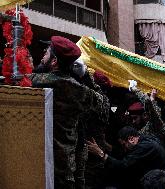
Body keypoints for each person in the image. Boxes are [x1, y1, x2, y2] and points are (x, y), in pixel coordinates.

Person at [29, 36, 108, 189]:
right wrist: (86, 76)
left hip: (39, 161)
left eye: (46, 53)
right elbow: (103, 106)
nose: (42, 55)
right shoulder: (77, 89)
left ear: (54, 61)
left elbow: (22, 79)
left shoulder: (36, 80)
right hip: (64, 166)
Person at [86, 126, 165, 189]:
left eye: (124, 145)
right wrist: (107, 146)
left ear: (131, 139)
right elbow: (127, 154)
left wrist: (101, 153)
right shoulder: (144, 139)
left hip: (159, 182)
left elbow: (123, 165)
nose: (124, 148)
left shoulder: (145, 146)